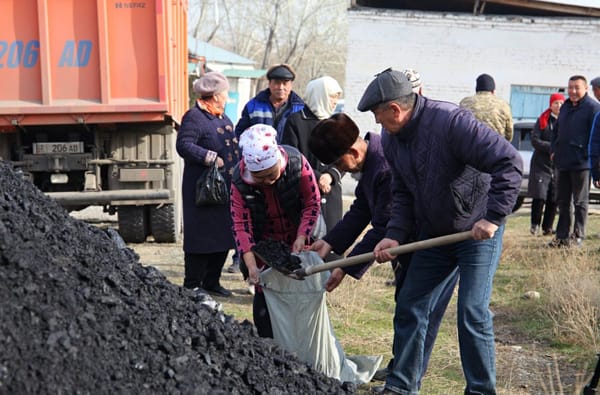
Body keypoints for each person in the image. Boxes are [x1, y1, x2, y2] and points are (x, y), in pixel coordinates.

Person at [358, 68, 522, 394]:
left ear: (395, 109)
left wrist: (492, 217)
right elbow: (402, 191)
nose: (376, 123)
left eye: (378, 114)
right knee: (411, 304)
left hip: (476, 230)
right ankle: (402, 386)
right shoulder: (392, 138)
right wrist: (395, 234)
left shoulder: (452, 122)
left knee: (472, 312)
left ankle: (480, 390)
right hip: (435, 233)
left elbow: (510, 161)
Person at [308, 112, 458, 388]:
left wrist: (344, 265)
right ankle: (400, 368)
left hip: (425, 242)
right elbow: (363, 208)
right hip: (405, 245)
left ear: (353, 150)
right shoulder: (371, 161)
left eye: (340, 163)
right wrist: (330, 242)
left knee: (416, 311)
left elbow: (383, 226)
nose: (342, 169)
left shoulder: (385, 167)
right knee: (408, 307)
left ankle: (405, 379)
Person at [230, 123, 320, 337]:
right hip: (265, 244)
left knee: (300, 294)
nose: (268, 181)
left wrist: (302, 235)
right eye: (260, 178)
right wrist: (251, 265)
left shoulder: (297, 163)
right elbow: (240, 225)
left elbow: (312, 202)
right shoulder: (238, 181)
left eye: (272, 175)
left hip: (297, 234)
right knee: (265, 301)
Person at [175, 71, 240, 297]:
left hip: (225, 189)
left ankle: (212, 281)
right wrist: (210, 157)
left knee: (223, 236)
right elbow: (184, 145)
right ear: (214, 95)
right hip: (203, 189)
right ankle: (193, 283)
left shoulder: (222, 117)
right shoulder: (194, 116)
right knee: (201, 237)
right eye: (224, 93)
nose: (227, 97)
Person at [282, 76, 344, 232]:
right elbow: (290, 158)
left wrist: (330, 175)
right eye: (332, 96)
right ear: (319, 94)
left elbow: (345, 158)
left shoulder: (337, 123)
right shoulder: (296, 121)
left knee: (331, 247)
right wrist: (316, 177)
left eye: (337, 97)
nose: (335, 101)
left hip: (330, 193)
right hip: (305, 192)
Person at [550, 75, 600, 248]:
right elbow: (556, 131)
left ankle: (578, 235)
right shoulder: (565, 108)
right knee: (563, 202)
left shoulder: (593, 108)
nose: (572, 91)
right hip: (562, 161)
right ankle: (561, 236)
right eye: (570, 87)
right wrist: (553, 149)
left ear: (585, 88)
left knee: (580, 202)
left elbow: (595, 138)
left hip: (582, 163)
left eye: (576, 87)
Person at [234, 64, 305, 142]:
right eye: (277, 83)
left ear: (291, 85)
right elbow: (240, 134)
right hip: (258, 154)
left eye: (285, 83)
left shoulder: (300, 109)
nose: (281, 87)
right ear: (269, 84)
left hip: (290, 154)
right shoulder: (253, 106)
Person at [528, 93, 565, 236]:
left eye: (561, 103)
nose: (558, 106)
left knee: (553, 197)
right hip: (541, 164)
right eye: (556, 103)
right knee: (540, 196)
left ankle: (547, 227)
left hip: (557, 165)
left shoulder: (565, 121)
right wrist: (552, 147)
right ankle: (535, 225)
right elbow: (535, 140)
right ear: (551, 105)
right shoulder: (543, 120)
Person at [459, 73, 513, 141]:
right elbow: (509, 132)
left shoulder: (465, 103)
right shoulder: (503, 105)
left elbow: (459, 126)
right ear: (493, 91)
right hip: (494, 146)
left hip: (469, 146)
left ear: (476, 90)